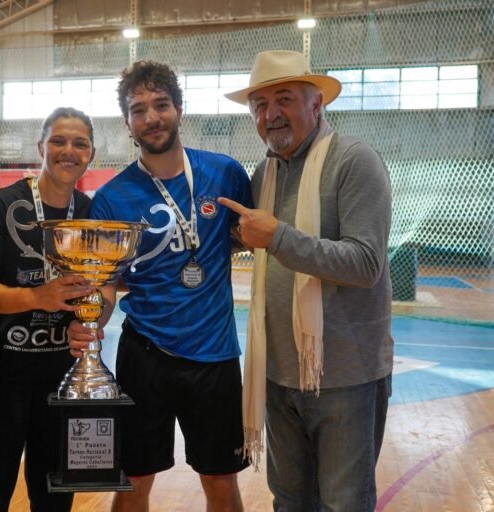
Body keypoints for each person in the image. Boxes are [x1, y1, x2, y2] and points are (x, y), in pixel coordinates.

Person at [68, 60, 252, 511]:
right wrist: (91, 322)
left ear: (179, 109)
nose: (151, 117)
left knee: (221, 480)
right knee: (133, 482)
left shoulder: (226, 174)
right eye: (139, 110)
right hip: (144, 355)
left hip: (214, 357)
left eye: (161, 105)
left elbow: (246, 238)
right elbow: (106, 284)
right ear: (127, 122)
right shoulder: (111, 198)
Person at [219, 50, 393, 511]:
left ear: (317, 104)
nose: (271, 114)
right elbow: (256, 240)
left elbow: (365, 263)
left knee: (344, 503)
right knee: (290, 501)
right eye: (259, 105)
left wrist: (277, 236)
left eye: (284, 99)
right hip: (279, 373)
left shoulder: (355, 161)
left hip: (345, 377)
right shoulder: (266, 172)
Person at [0, 107, 96, 511]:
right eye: (58, 141)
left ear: (91, 154)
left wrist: (93, 319)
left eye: (80, 143)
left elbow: (102, 287)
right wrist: (38, 297)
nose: (68, 150)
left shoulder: (90, 213)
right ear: (41, 147)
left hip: (62, 379)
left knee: (55, 499)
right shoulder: (3, 204)